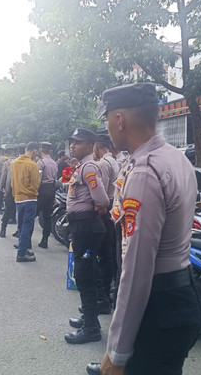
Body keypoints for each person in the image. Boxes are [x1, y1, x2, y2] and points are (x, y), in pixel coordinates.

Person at [86, 83, 201, 375]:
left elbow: (137, 270)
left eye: (108, 119)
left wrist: (116, 351)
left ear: (120, 120)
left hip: (156, 307)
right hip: (179, 295)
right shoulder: (174, 158)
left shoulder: (145, 172)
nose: (108, 128)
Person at [64, 128, 110, 345]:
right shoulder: (82, 166)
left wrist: (99, 206)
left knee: (84, 275)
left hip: (86, 225)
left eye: (79, 142)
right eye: (72, 142)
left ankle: (91, 327)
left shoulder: (89, 166)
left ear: (90, 145)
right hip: (82, 224)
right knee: (89, 272)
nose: (73, 145)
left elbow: (101, 197)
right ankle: (88, 317)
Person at [92, 132, 120, 313]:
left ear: (96, 147)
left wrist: (98, 207)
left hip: (104, 209)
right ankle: (108, 292)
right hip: (113, 209)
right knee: (109, 252)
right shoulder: (115, 161)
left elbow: (99, 192)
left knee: (103, 254)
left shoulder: (102, 163)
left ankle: (102, 298)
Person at [11, 142, 41, 262]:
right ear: (34, 151)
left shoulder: (15, 163)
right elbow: (36, 184)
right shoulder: (33, 165)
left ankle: (23, 247)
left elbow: (12, 182)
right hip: (30, 198)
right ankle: (21, 253)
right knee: (27, 226)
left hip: (18, 197)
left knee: (21, 225)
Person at [37, 142, 58, 249]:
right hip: (51, 189)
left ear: (41, 150)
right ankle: (45, 239)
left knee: (33, 214)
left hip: (42, 190)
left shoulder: (41, 163)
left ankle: (26, 239)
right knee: (47, 216)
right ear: (50, 151)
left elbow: (38, 180)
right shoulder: (54, 163)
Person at [0, 145, 17, 237]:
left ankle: (3, 230)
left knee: (8, 209)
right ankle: (18, 231)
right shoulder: (19, 161)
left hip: (12, 188)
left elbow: (7, 178)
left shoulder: (8, 162)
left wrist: (4, 188)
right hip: (21, 190)